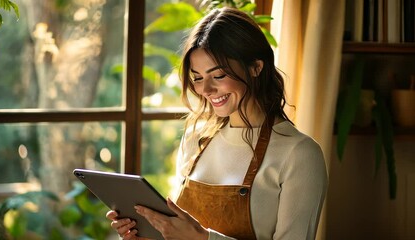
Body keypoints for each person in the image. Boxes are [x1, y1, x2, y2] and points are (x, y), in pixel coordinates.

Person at [107, 7, 328, 240]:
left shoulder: (299, 154)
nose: (206, 90)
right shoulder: (196, 138)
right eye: (198, 78)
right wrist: (145, 233)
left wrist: (203, 239)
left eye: (219, 76)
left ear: (256, 67)